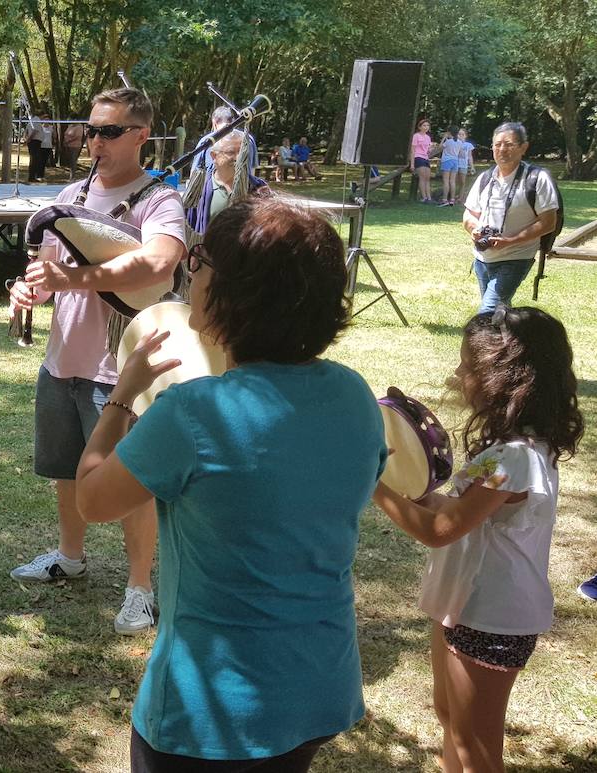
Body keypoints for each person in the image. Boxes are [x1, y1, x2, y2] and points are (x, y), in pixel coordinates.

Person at [75, 198, 386, 771]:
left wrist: (122, 394)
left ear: (236, 293)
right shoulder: (355, 396)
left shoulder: (193, 414)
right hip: (317, 687)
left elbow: (92, 498)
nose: (189, 272)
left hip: (209, 715)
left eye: (199, 260)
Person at [371, 306, 583, 773]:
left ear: (502, 377)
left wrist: (368, 483)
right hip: (464, 604)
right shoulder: (506, 451)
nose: (458, 374)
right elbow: (451, 510)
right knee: (452, 721)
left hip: (493, 618)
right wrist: (412, 475)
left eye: (468, 366)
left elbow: (439, 532)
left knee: (476, 745)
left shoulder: (517, 459)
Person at [8, 88, 186, 635]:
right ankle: (70, 556)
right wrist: (27, 290)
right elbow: (48, 271)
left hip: (122, 370)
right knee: (66, 469)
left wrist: (75, 278)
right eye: (91, 130)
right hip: (63, 358)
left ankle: (140, 589)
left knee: (133, 481)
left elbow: (159, 261)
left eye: (109, 131)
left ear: (140, 136)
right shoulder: (72, 193)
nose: (95, 141)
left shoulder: (160, 201)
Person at [462, 122, 559, 314]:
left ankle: (480, 344)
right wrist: (474, 229)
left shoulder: (537, 178)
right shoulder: (485, 178)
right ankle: (510, 341)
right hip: (483, 257)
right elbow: (469, 213)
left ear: (524, 147)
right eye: (497, 145)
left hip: (517, 256)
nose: (502, 149)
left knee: (488, 311)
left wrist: (511, 241)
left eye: (509, 144)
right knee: (500, 311)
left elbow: (548, 222)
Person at [185, 130, 269, 237]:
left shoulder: (259, 189)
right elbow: (187, 226)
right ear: (214, 156)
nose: (239, 158)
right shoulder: (199, 188)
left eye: (243, 152)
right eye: (231, 152)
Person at [412, 118, 435, 203]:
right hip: (418, 157)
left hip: (425, 158)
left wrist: (431, 148)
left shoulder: (428, 137)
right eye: (424, 125)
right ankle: (424, 197)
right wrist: (412, 164)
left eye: (427, 125)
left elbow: (427, 150)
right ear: (419, 127)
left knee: (427, 178)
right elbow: (413, 150)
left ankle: (429, 198)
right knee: (422, 178)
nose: (426, 127)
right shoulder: (416, 136)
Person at [438, 127, 461, 206]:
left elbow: (440, 147)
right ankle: (452, 199)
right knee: (452, 181)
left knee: (446, 181)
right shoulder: (459, 142)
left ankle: (444, 199)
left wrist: (444, 138)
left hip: (447, 161)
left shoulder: (448, 142)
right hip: (455, 161)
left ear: (449, 133)